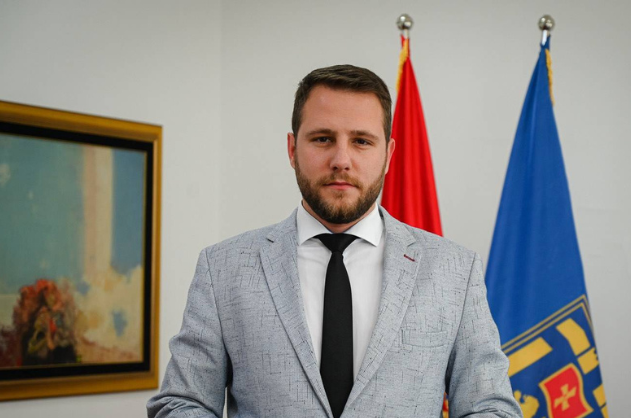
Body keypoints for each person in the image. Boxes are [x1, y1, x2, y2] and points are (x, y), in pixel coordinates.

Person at [147, 65, 522, 418]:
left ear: (388, 155)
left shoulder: (454, 271)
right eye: (323, 139)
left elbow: (491, 407)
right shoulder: (223, 269)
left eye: (361, 141)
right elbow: (182, 402)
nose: (341, 160)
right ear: (292, 149)